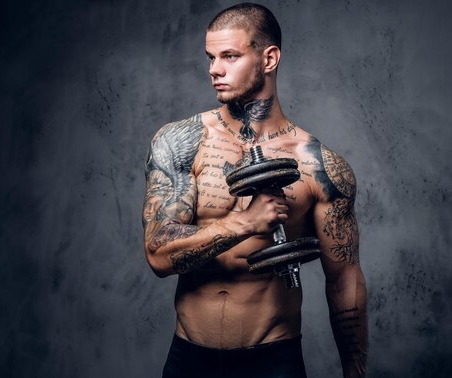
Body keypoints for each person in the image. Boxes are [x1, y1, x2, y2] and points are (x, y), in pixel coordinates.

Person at [143, 3, 367, 377]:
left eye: (230, 56)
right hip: (189, 358)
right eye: (211, 57)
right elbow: (158, 255)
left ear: (269, 58)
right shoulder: (182, 141)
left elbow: (344, 279)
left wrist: (356, 372)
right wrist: (245, 223)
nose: (215, 69)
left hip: (273, 360)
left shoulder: (319, 166)